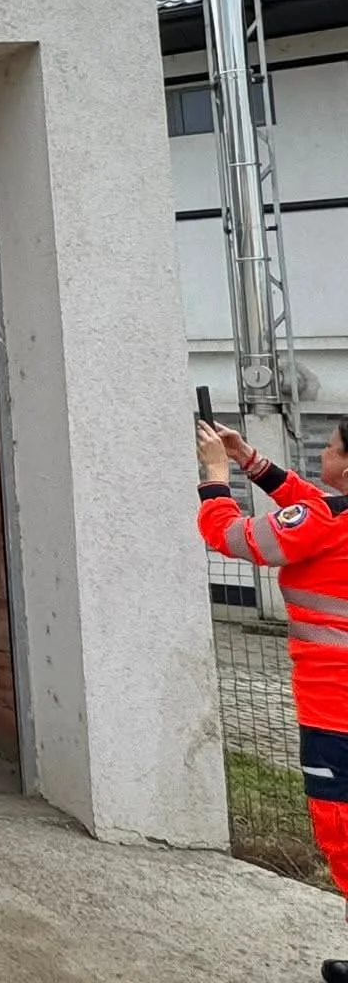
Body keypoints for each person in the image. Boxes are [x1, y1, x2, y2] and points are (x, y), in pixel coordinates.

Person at [197, 414, 348, 982]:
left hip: (335, 710)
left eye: (330, 447)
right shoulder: (331, 516)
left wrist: (216, 477)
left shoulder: (325, 522)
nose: (322, 454)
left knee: (341, 828)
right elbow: (310, 503)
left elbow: (233, 537)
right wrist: (249, 460)